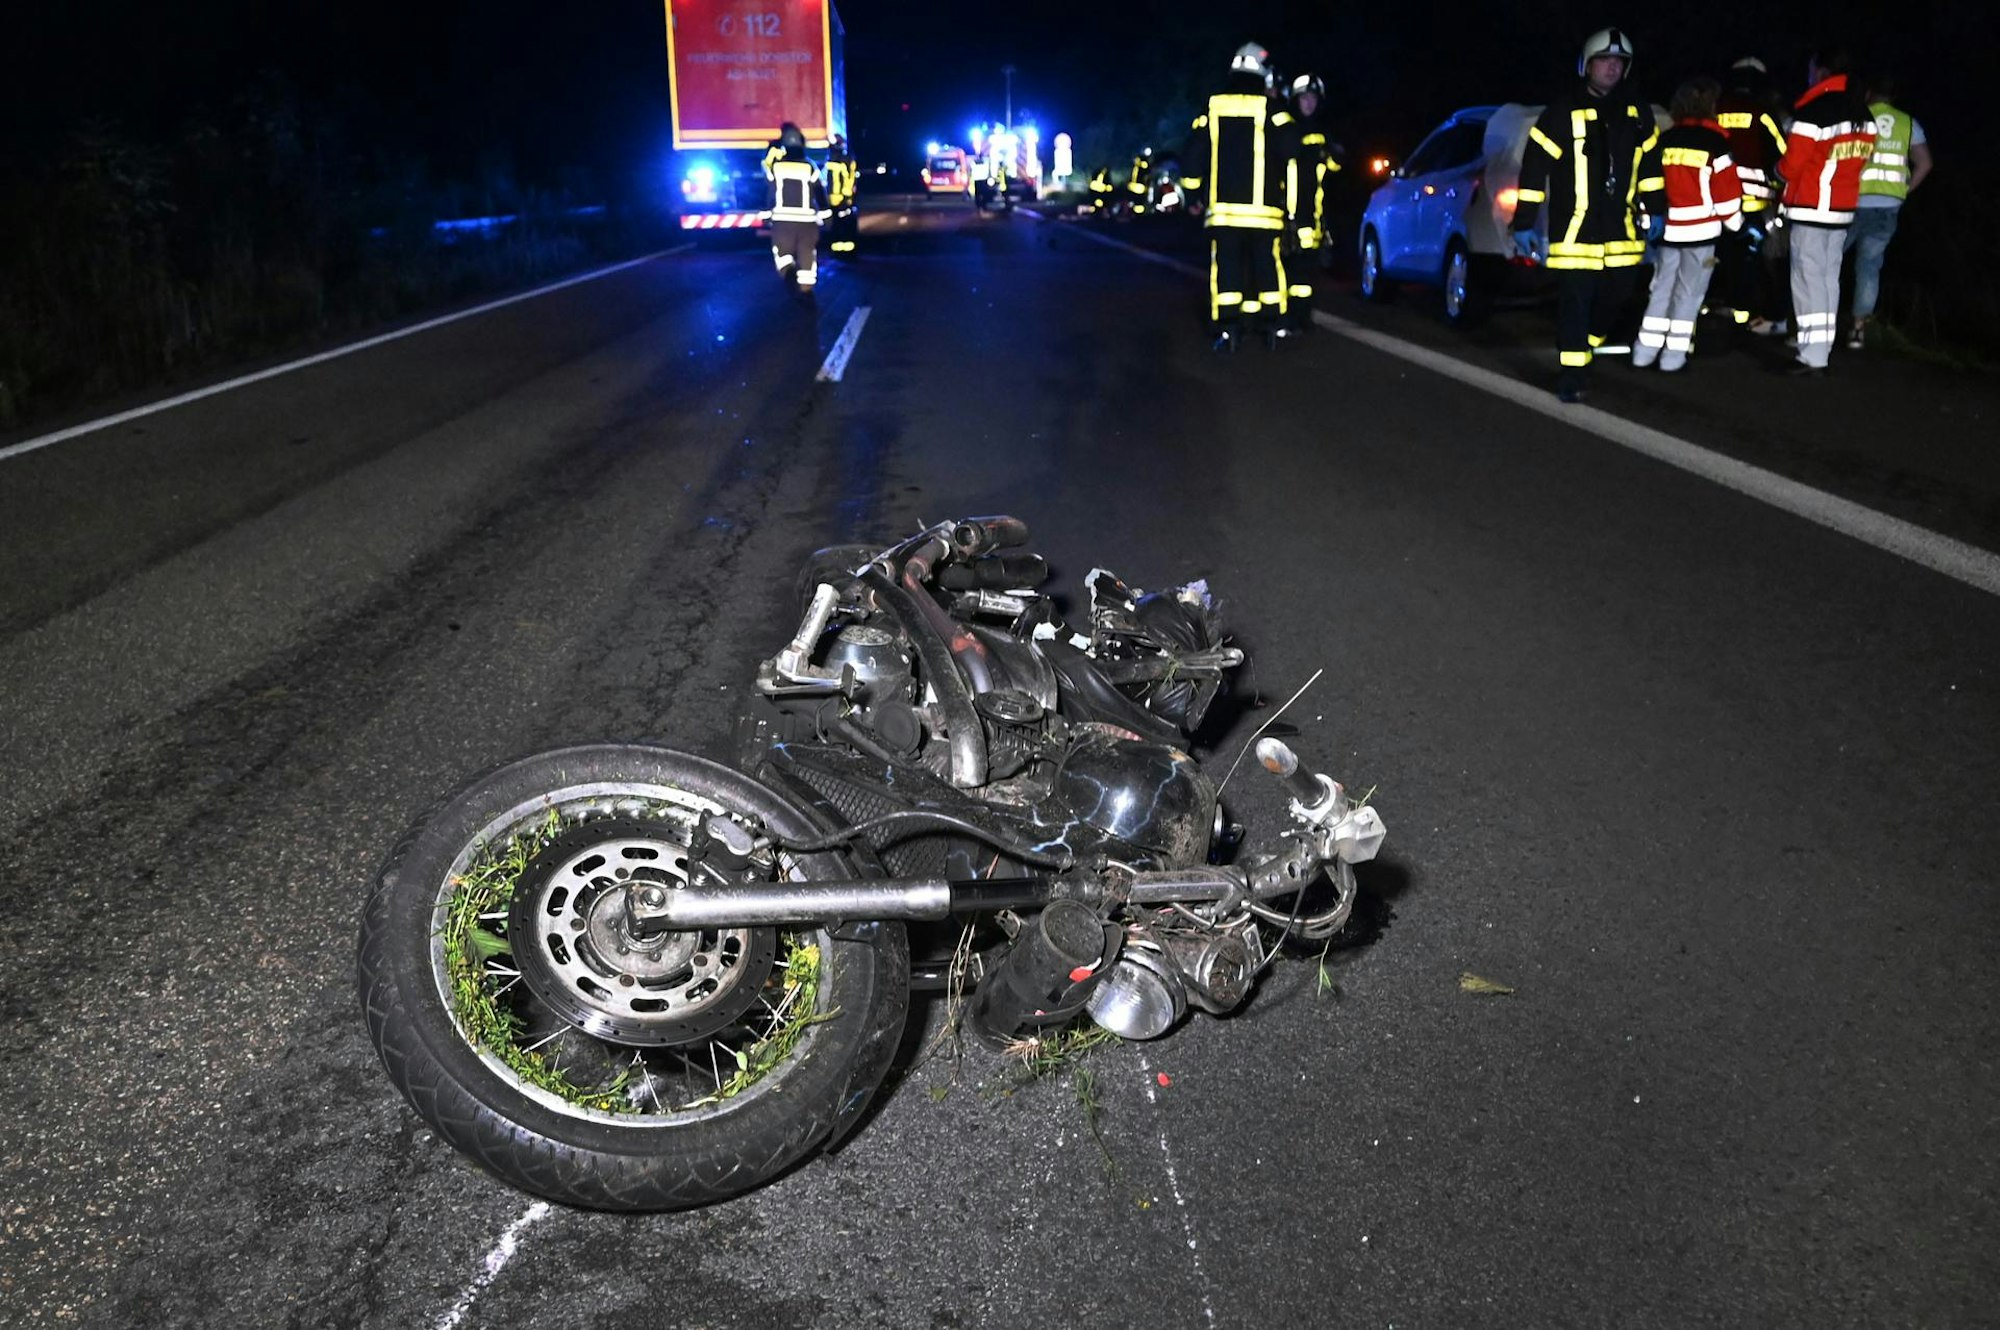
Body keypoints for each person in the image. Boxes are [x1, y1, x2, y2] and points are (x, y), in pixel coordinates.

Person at [1510, 27, 1661, 402]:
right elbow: (1533, 169)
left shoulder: (1638, 114)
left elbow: (1651, 168)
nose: (1611, 69)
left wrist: (1658, 209)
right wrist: (1525, 221)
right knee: (1575, 303)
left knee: (1617, 296)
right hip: (1575, 232)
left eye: (1618, 63)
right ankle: (1572, 375)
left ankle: (1586, 346)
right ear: (1586, 66)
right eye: (1604, 61)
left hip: (1622, 231)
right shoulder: (1561, 112)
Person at [1183, 42, 1304, 350]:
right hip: (1264, 213)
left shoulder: (1213, 106)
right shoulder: (1271, 108)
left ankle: (1228, 330)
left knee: (1226, 270)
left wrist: (1194, 192)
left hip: (1223, 213)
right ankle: (1273, 328)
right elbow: (1292, 148)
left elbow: (1193, 155)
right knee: (1267, 267)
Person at [1632, 77, 1743, 371]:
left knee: (1661, 290)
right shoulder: (1716, 143)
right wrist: (1735, 224)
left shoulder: (1664, 140)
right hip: (1702, 232)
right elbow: (1727, 194)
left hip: (1667, 231)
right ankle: (1673, 358)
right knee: (1689, 295)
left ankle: (1643, 353)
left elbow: (1649, 186)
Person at [1775, 48, 1875, 374]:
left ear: (1821, 72)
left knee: (1807, 280)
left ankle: (1812, 354)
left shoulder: (1814, 111)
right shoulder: (1863, 114)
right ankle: (1823, 347)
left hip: (1811, 207)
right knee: (1829, 279)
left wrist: (1774, 171)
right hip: (1842, 208)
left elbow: (1792, 166)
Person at [1844, 74, 1933, 349]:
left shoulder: (1854, 117)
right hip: (1887, 205)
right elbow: (1925, 163)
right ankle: (1858, 330)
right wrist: (1903, 191)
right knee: (1869, 268)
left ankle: (1815, 321)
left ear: (1868, 92)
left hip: (1851, 202)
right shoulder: (1908, 123)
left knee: (1828, 262)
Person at [1712, 57, 1791, 331]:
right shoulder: (1764, 112)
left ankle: (1733, 307)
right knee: (1758, 258)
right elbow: (1783, 155)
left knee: (1727, 254)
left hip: (1718, 199)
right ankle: (1756, 312)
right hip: (1756, 200)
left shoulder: (1717, 108)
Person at [1282, 73, 1340, 332]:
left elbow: (1333, 169)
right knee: (1287, 271)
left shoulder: (1320, 132)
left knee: (1305, 274)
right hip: (1286, 215)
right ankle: (1283, 319)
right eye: (1305, 98)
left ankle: (1301, 319)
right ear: (1295, 99)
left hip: (1312, 217)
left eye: (1313, 98)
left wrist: (1336, 154)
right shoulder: (1286, 127)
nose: (1309, 103)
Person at [765, 122, 830, 293]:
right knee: (807, 253)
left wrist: (765, 215)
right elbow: (819, 193)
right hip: (807, 223)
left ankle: (788, 272)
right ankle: (806, 288)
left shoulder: (776, 167)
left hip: (782, 222)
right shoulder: (810, 166)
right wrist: (826, 215)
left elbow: (769, 192)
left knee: (782, 253)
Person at [824, 134, 859, 254]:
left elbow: (847, 179)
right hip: (842, 198)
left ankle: (841, 249)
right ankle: (844, 249)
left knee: (838, 225)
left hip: (839, 198)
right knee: (843, 224)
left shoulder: (837, 159)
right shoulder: (846, 159)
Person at [1126, 146, 1154, 215]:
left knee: (1132, 202)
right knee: (1140, 203)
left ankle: (1132, 214)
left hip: (1132, 186)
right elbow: (1148, 175)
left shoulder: (1136, 162)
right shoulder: (1145, 164)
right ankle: (1139, 216)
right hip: (1140, 187)